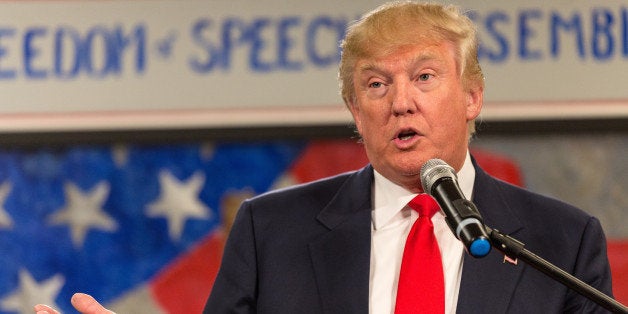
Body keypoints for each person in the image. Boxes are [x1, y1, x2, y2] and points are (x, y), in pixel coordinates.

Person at [35, 1, 615, 313]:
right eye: (376, 84)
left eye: (425, 76)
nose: (401, 102)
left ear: (472, 97)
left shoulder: (559, 241)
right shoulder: (271, 231)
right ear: (355, 111)